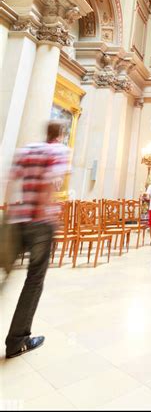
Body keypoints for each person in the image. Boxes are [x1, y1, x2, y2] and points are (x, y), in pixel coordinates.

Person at [4, 120, 70, 359]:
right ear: (60, 134)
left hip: (16, 219)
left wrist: (10, 211)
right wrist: (43, 213)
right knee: (34, 281)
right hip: (39, 223)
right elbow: (48, 182)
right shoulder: (59, 151)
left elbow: (11, 181)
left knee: (3, 274)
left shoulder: (27, 149)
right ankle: (17, 340)